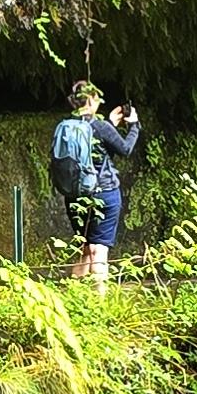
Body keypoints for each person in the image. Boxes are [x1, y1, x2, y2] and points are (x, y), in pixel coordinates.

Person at [49, 80, 141, 285]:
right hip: (104, 193)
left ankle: (73, 296)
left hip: (74, 196)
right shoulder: (100, 127)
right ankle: (101, 305)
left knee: (84, 248)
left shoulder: (67, 127)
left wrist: (109, 124)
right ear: (91, 99)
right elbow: (125, 149)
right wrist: (134, 125)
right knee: (99, 250)